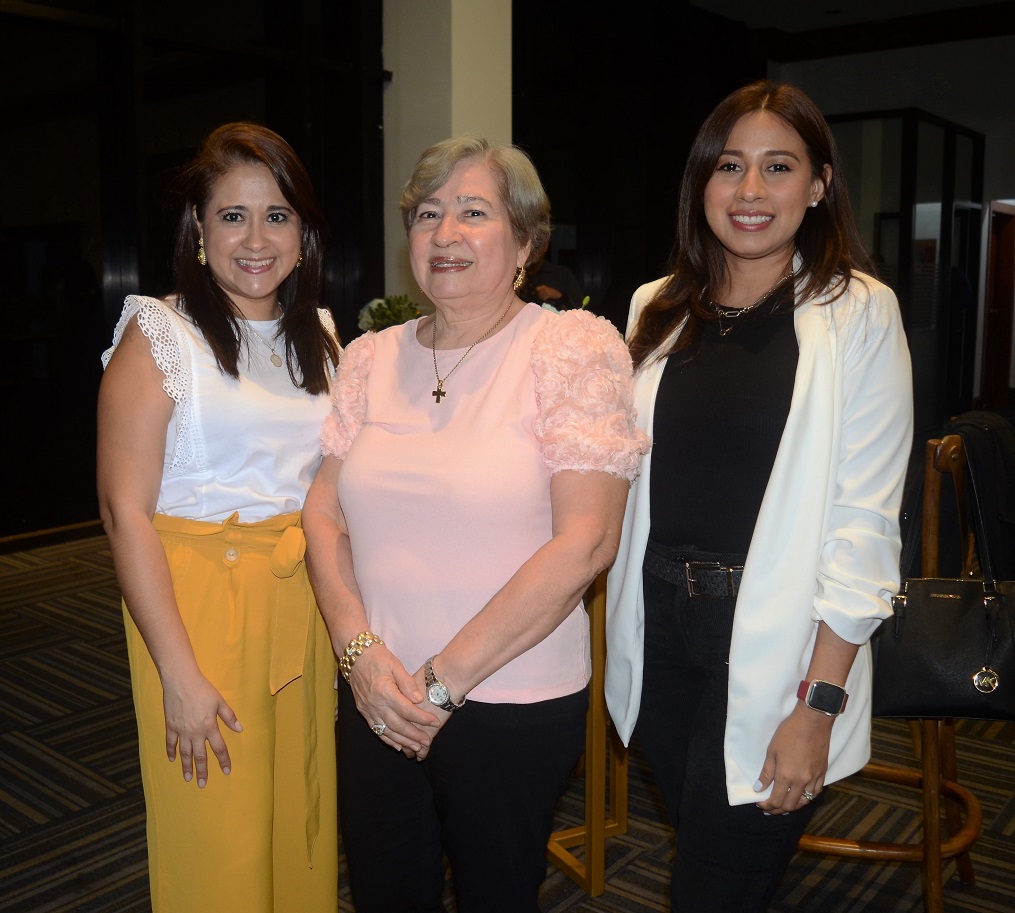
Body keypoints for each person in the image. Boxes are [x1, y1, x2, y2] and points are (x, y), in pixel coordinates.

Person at [302, 134, 649, 913]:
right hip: (374, 689)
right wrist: (358, 651)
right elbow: (322, 512)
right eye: (427, 214)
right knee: (388, 894)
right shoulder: (368, 356)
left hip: (509, 699)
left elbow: (586, 540)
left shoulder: (569, 347)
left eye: (473, 212)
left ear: (525, 241)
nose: (445, 234)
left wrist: (439, 684)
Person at [604, 80, 914, 911]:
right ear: (699, 182)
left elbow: (864, 523)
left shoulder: (859, 313)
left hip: (779, 640)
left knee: (718, 885)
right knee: (697, 845)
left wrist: (817, 704)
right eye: (728, 166)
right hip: (658, 621)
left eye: (776, 167)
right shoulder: (655, 307)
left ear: (817, 185)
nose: (748, 191)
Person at [97, 122, 342, 913]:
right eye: (232, 215)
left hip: (298, 598)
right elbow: (122, 511)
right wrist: (177, 672)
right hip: (197, 604)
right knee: (219, 836)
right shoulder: (162, 333)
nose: (255, 238)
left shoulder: (323, 336)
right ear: (198, 230)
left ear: (303, 234)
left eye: (277, 215)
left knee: (299, 820)